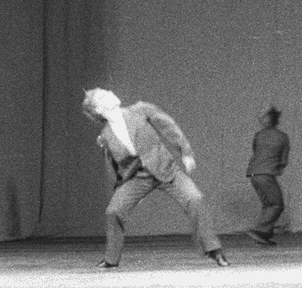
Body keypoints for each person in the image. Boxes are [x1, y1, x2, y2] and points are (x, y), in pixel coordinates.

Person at [82, 87, 229, 268]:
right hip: (137, 178)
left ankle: (214, 250)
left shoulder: (140, 109)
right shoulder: (106, 136)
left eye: (108, 91)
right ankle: (111, 259)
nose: (111, 93)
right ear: (98, 110)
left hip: (167, 170)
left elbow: (168, 125)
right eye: (104, 96)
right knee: (114, 211)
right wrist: (123, 189)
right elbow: (113, 166)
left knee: (195, 199)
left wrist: (185, 151)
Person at [245, 106, 290, 246]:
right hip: (266, 174)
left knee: (268, 205)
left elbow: (255, 150)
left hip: (253, 173)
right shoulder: (282, 137)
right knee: (277, 204)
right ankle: (259, 231)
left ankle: (263, 235)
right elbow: (283, 160)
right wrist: (277, 166)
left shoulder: (259, 135)